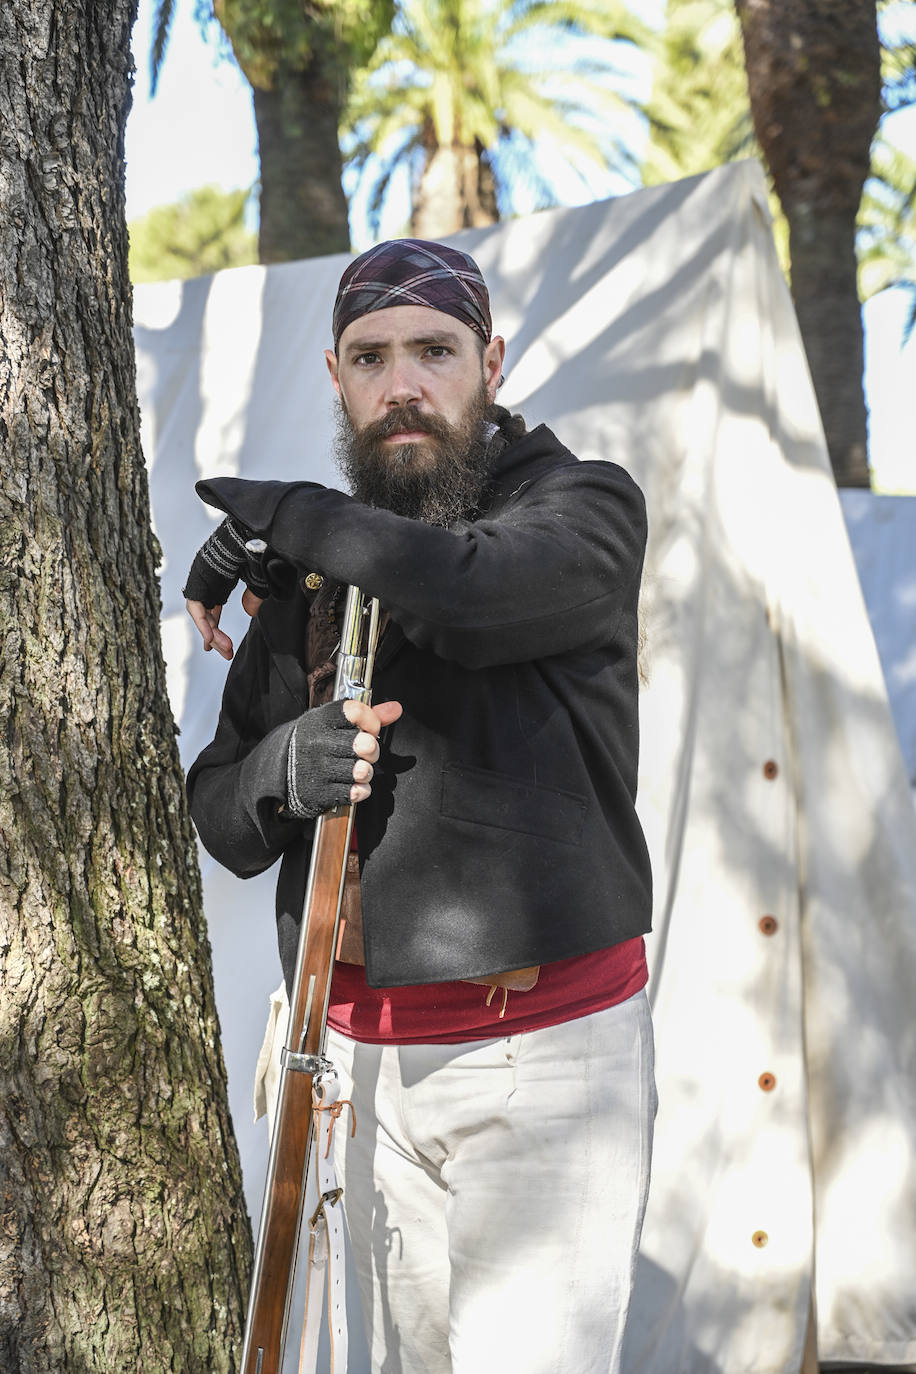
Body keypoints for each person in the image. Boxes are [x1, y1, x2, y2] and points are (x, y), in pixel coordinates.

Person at [183, 238, 656, 1374]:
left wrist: (275, 510)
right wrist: (282, 772)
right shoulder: (311, 568)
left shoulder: (581, 507)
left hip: (541, 1060)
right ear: (338, 381)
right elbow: (218, 811)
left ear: (489, 360)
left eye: (433, 352)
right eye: (371, 357)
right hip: (351, 1065)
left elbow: (468, 594)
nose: (402, 385)